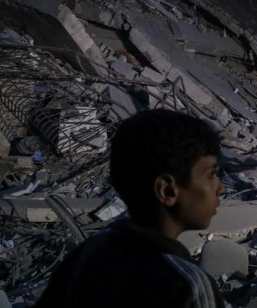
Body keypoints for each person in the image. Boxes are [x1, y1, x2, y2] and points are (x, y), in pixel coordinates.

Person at [37, 109, 226, 308]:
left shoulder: (89, 252)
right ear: (167, 191)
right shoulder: (188, 286)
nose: (220, 189)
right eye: (211, 175)